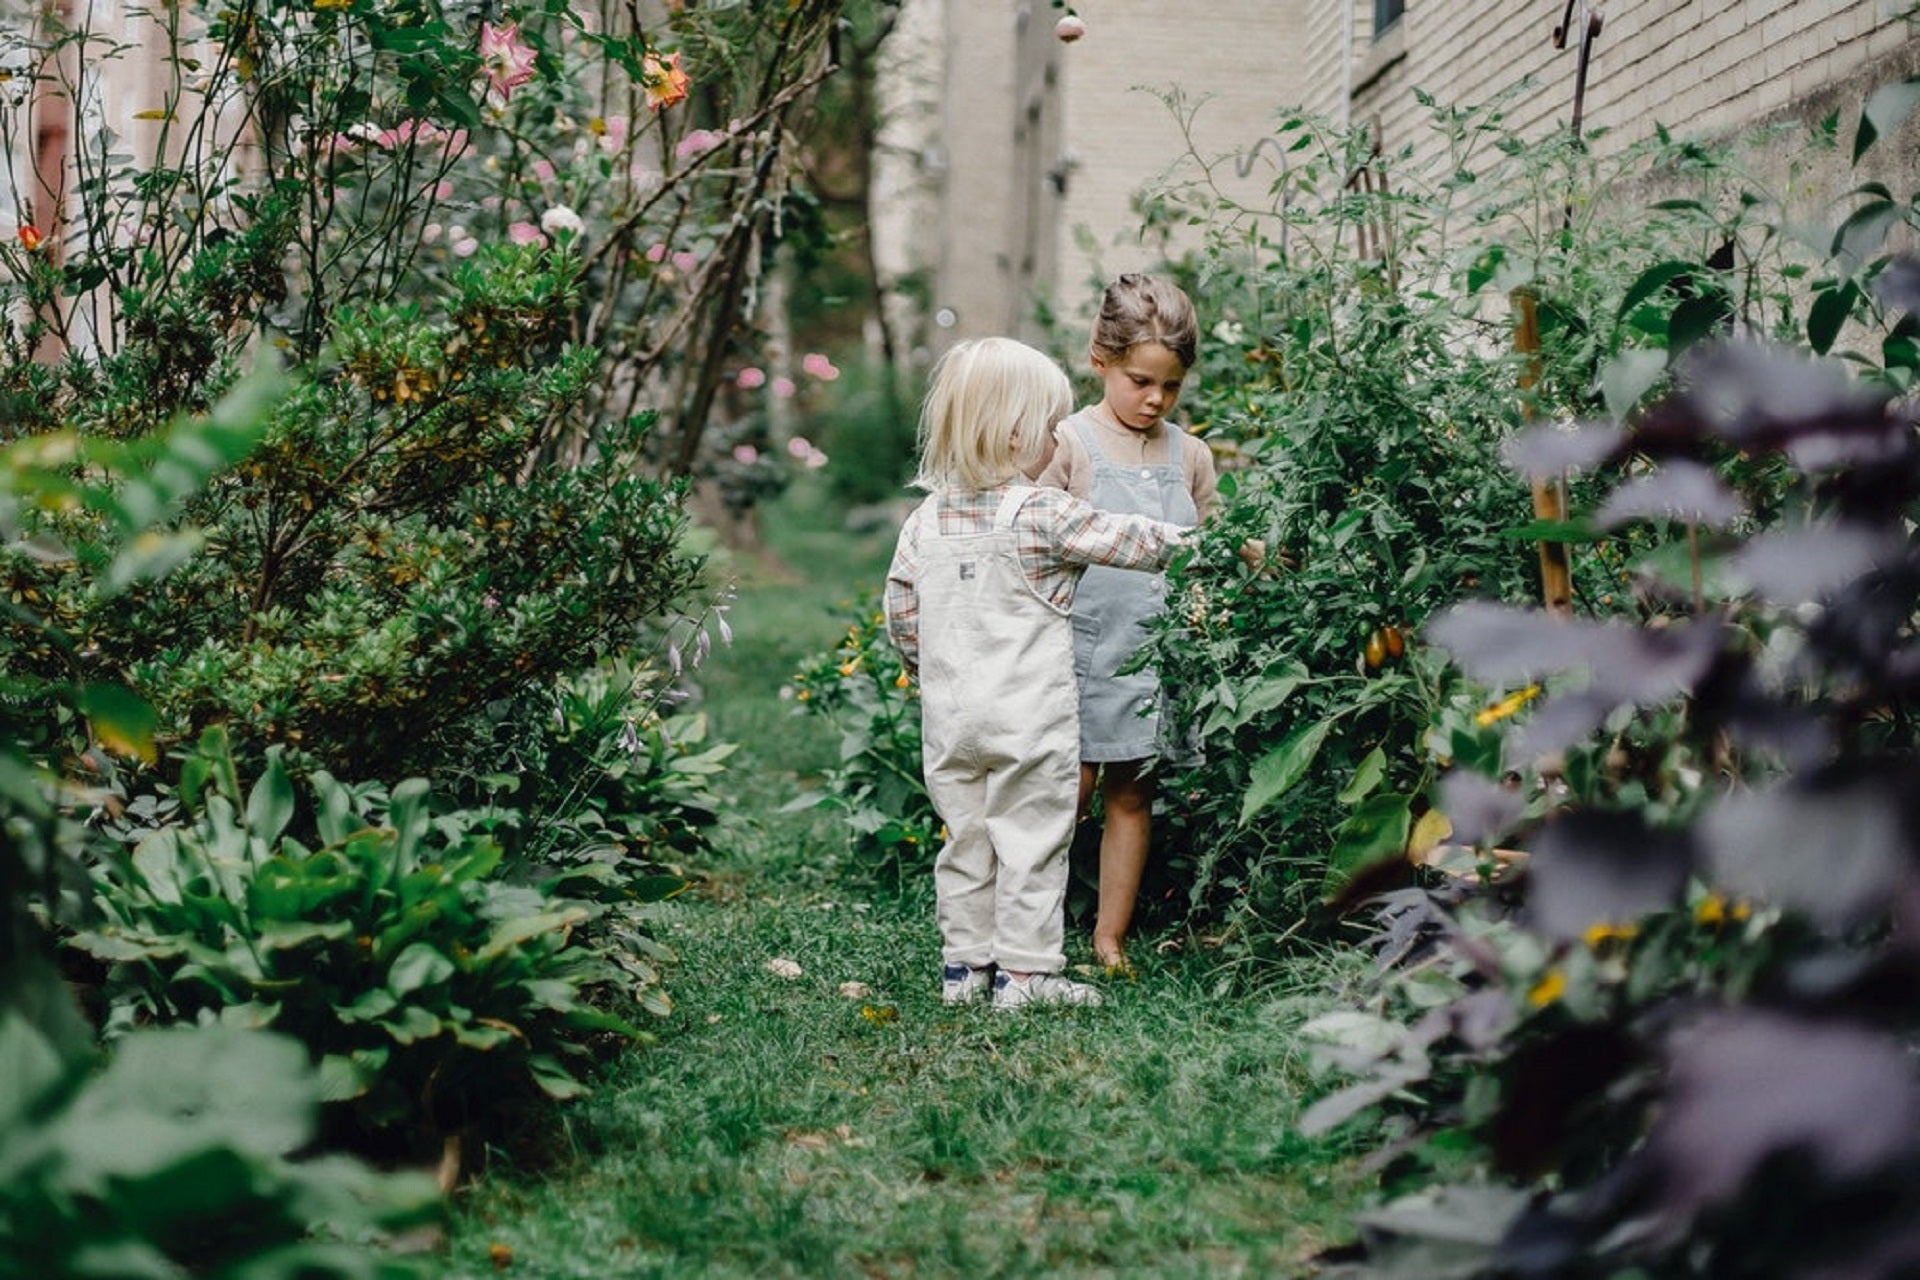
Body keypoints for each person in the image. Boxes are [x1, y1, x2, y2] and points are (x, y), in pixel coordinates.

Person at [883, 337, 1190, 1011]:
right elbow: (1129, 540)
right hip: (1029, 722)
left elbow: (901, 613)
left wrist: (926, 671)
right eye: (1052, 426)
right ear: (1020, 433)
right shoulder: (1041, 512)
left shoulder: (922, 522)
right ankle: (1026, 977)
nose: (1059, 438)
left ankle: (964, 971)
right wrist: (1208, 546)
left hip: (952, 722)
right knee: (1031, 842)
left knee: (965, 841)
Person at [1035, 273, 1221, 974]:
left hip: (1151, 659)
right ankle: (1032, 928)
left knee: (1132, 795)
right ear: (1100, 359)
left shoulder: (1189, 457)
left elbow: (1209, 548)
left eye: (1171, 387)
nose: (1156, 399)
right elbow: (1032, 540)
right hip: (1077, 655)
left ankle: (1109, 938)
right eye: (1141, 380)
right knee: (1065, 794)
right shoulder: (1068, 444)